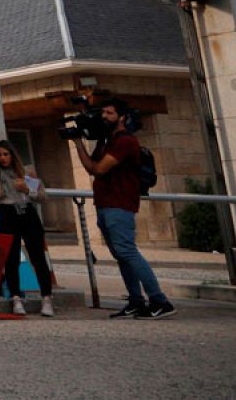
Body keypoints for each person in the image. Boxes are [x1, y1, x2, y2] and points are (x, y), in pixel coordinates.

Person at [71, 98, 175, 319]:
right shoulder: (108, 141)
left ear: (122, 117)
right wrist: (79, 142)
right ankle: (136, 301)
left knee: (127, 251)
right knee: (121, 255)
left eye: (109, 113)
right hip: (106, 203)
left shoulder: (126, 142)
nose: (104, 117)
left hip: (120, 204)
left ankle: (159, 300)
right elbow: (93, 167)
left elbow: (98, 169)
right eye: (103, 113)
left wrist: (82, 145)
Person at [0, 140, 54, 317]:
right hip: (8, 214)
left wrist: (26, 189)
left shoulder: (26, 171)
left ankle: (46, 298)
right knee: (11, 259)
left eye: (5, 154)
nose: (2, 158)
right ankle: (16, 297)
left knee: (37, 257)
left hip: (27, 212)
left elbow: (41, 196)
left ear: (12, 154)